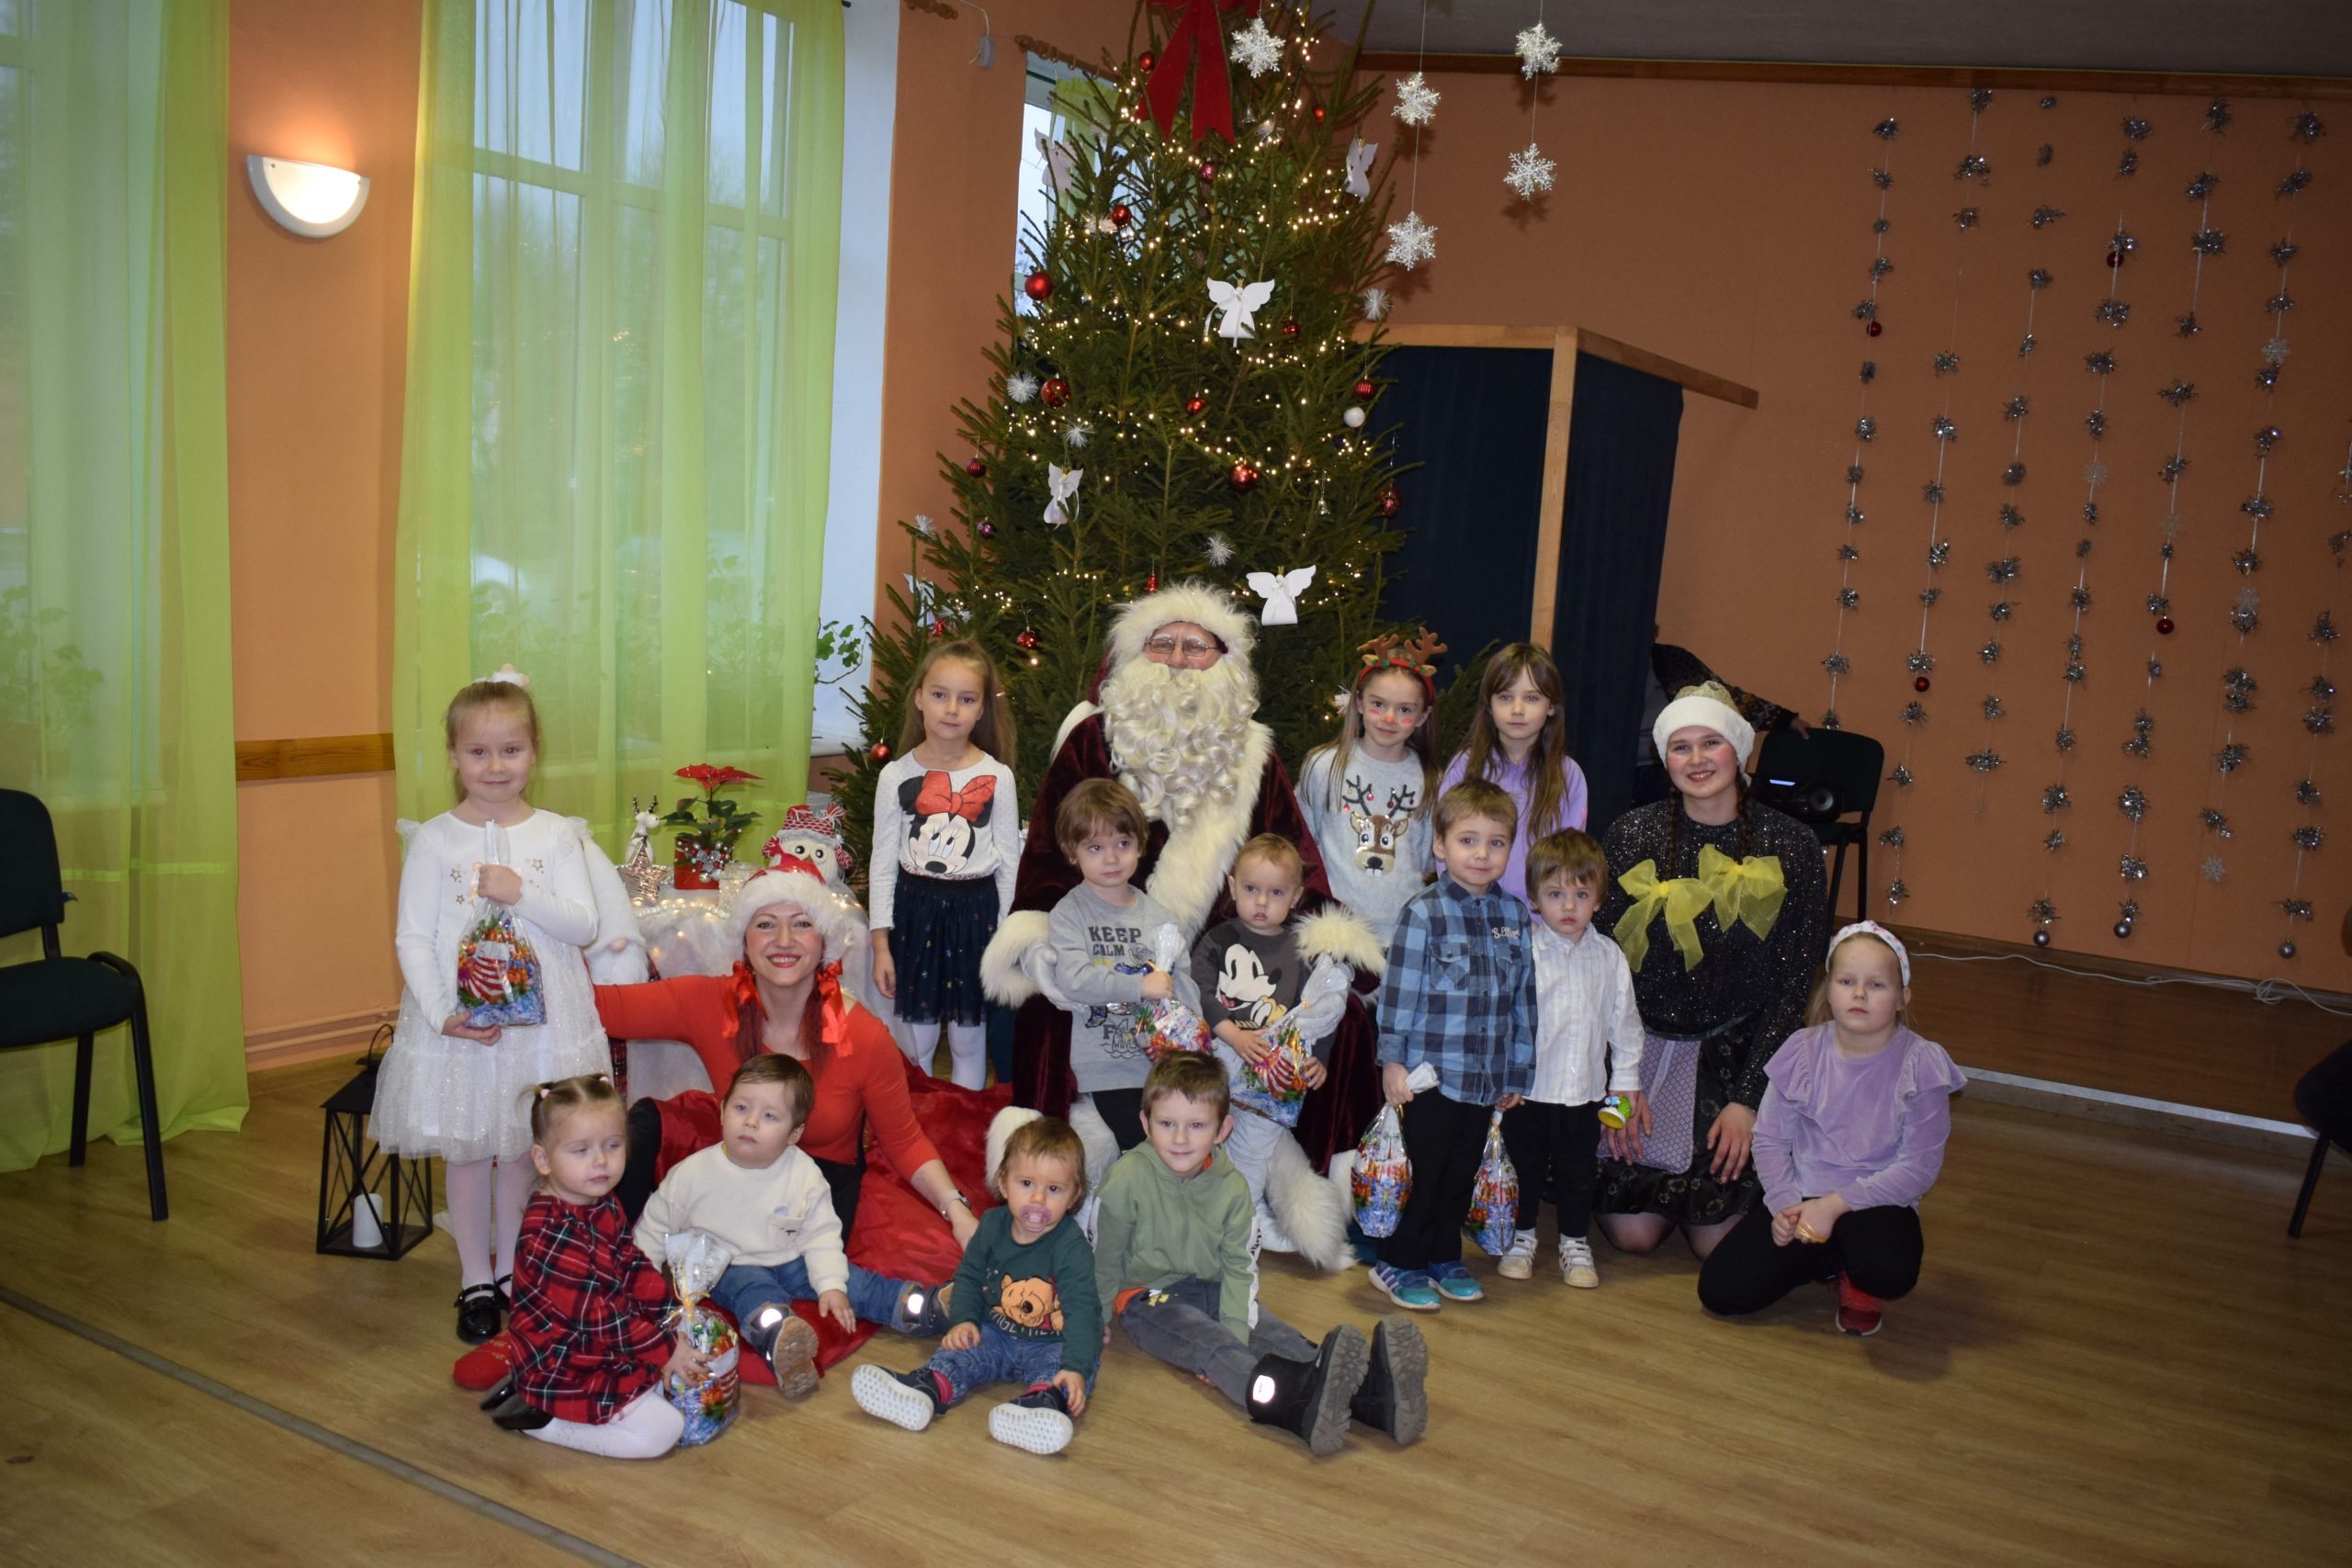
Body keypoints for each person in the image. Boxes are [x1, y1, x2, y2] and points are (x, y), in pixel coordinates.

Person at [982, 581, 1386, 1191]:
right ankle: (1047, 1173)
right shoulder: (1094, 740)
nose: (1176, 659)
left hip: (1230, 956)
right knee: (1048, 1005)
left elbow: (1293, 859)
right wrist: (1042, 942)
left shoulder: (1255, 756)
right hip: (1107, 944)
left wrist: (1327, 944)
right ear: (1133, 656)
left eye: (1195, 646)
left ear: (1224, 661)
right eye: (1161, 643)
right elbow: (1046, 854)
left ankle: (1307, 1177)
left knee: (1344, 1017)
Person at [374, 667, 612, 1343]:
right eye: (478, 751)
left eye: (511, 749)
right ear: (453, 756)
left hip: (543, 1027)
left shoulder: (556, 835)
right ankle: (475, 1277)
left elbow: (583, 924)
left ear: (534, 751)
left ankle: (512, 1270)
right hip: (464, 1028)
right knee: (470, 1150)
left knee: (521, 1149)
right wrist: (440, 1011)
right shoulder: (433, 840)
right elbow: (413, 936)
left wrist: (519, 892)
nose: (496, 765)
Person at [596, 858, 983, 1252]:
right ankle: (599, 1251)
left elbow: (904, 1140)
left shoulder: (863, 1036)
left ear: (823, 942)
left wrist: (956, 1210)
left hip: (818, 1191)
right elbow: (598, 1008)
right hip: (738, 1163)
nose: (784, 940)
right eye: (766, 924)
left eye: (801, 924)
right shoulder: (710, 1002)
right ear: (745, 941)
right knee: (649, 1126)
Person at [1594, 682, 1831, 1261]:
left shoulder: (1793, 846)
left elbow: (1794, 986)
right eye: (1681, 747)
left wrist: (1749, 1101)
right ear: (1664, 758)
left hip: (1736, 1055)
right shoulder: (1632, 834)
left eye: (1711, 743)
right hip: (1639, 1048)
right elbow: (1602, 968)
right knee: (1633, 1236)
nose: (1697, 759)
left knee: (1716, 1243)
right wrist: (1620, 1081)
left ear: (1739, 750)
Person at [1094, 1054, 1429, 1455]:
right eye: (1167, 1124)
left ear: (1222, 1129)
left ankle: (1373, 1399)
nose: (1180, 1139)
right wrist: (1096, 1316)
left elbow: (1240, 1264)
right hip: (1148, 1297)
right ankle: (1293, 1404)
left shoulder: (1232, 1186)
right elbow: (1105, 1254)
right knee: (1211, 1345)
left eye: (1196, 1126)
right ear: (1146, 1124)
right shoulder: (1126, 1178)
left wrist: (1237, 1328)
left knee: (1274, 1333)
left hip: (1215, 1285)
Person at [1698, 924, 1963, 1336]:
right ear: (1829, 990)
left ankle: (1857, 1277)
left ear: (1902, 998)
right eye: (1847, 981)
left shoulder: (1921, 1064)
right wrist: (1785, 1207)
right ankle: (1825, 1259)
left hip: (1877, 1202)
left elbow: (1918, 1168)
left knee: (1888, 1269)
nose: (1859, 994)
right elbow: (1770, 1139)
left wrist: (1834, 1206)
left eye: (1876, 985)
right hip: (1804, 1196)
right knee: (1721, 1291)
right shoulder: (1801, 1049)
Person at [635, 1054, 951, 1398]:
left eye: (770, 1116)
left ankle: (923, 1307)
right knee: (754, 1296)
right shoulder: (691, 1174)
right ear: (723, 1111)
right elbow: (655, 1226)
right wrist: (638, 1284)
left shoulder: (804, 1174)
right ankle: (783, 1340)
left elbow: (821, 1236)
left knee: (856, 1282)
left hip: (793, 1257)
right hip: (729, 1264)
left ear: (794, 1133)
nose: (751, 1122)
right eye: (741, 1108)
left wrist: (831, 1285)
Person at [1369, 781, 1538, 1314]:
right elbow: (1398, 993)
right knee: (1425, 1171)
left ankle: (1444, 1255)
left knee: (1462, 1172)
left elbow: (1523, 1000)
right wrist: (1392, 1061)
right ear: (1440, 846)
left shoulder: (1515, 917)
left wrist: (1518, 1072)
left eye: (1496, 842)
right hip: (1430, 1078)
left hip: (1485, 1078)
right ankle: (1398, 1261)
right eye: (1468, 840)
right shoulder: (1423, 912)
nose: (1482, 854)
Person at [852, 1114, 1101, 1455]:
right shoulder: (992, 1225)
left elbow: (1083, 1312)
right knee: (961, 1350)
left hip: (1052, 1342)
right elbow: (969, 1277)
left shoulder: (1071, 1247)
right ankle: (929, 1388)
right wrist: (964, 1320)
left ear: (1074, 1196)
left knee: (1068, 1369)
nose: (1038, 1199)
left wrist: (1075, 1368)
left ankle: (1043, 1403)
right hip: (997, 1332)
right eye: (1027, 1183)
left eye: (1054, 1189)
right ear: (1004, 1183)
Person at [501, 1074, 695, 1458]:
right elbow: (596, 1317)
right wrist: (664, 1348)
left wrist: (673, 1313)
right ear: (543, 1159)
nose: (601, 1161)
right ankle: (540, 1420)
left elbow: (631, 1263)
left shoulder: (602, 1201)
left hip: (601, 1344)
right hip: (562, 1365)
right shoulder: (549, 1231)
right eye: (581, 1150)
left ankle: (628, 1399)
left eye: (612, 1145)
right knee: (664, 1431)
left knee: (677, 1380)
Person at [1188, 833, 1353, 1268]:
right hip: (1220, 1057)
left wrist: (1319, 1059)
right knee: (1206, 1135)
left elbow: (1318, 1013)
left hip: (1273, 1072)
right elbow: (1198, 991)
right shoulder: (1218, 939)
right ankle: (1199, 1216)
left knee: (1255, 1146)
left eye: (1276, 893)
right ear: (1232, 887)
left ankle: (1246, 1217)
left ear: (1296, 896)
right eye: (1251, 889)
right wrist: (1233, 1035)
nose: (1261, 902)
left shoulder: (1301, 950)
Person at [1498, 829, 1647, 1291]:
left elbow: (1626, 1029)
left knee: (1578, 1173)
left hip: (1585, 1095)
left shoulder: (1609, 958)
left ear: (1598, 900)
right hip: (1528, 1093)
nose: (1568, 906)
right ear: (1534, 900)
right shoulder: (1524, 954)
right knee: (1523, 1168)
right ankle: (1521, 1237)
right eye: (1555, 894)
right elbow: (1504, 1023)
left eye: (1581, 895)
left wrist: (1622, 1092)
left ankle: (1575, 1242)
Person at [868, 638, 1020, 1089]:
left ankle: (965, 1121)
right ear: (919, 698)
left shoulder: (998, 777)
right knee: (917, 1039)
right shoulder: (895, 775)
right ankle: (921, 1121)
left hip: (975, 918)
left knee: (969, 1040)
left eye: (966, 699)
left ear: (982, 709)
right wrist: (880, 945)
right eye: (940, 695)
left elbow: (1009, 866)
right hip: (915, 915)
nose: (952, 709)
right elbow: (882, 865)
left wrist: (1007, 941)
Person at [1044, 778, 1204, 1173]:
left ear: (1140, 845)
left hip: (1162, 1067)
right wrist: (1140, 986)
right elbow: (1074, 980)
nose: (1112, 858)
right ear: (1072, 852)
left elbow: (1184, 983)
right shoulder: (1069, 913)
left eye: (1122, 844)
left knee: (1177, 1150)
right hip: (1107, 1069)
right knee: (1143, 1155)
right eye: (1095, 848)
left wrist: (1191, 1033)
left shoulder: (1159, 917)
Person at [1298, 631, 1445, 953]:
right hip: (1336, 932)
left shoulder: (1430, 780)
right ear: (1359, 703)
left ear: (1422, 717)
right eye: (1379, 704)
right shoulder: (1323, 766)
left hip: (1403, 933)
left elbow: (1425, 859)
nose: (1390, 718)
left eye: (1405, 710)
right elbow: (1304, 843)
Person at [1439, 644, 1589, 904]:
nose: (1517, 709)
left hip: (1537, 919)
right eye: (1505, 697)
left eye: (1531, 698)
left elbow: (1568, 860)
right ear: (1488, 706)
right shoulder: (1465, 766)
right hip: (1468, 913)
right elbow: (1445, 846)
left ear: (1552, 706)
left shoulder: (1569, 776)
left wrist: (1544, 916)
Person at [1633, 637, 1807, 807]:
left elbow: (1721, 698)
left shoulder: (1669, 659)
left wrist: (1782, 718)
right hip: (1621, 770)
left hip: (1662, 769)